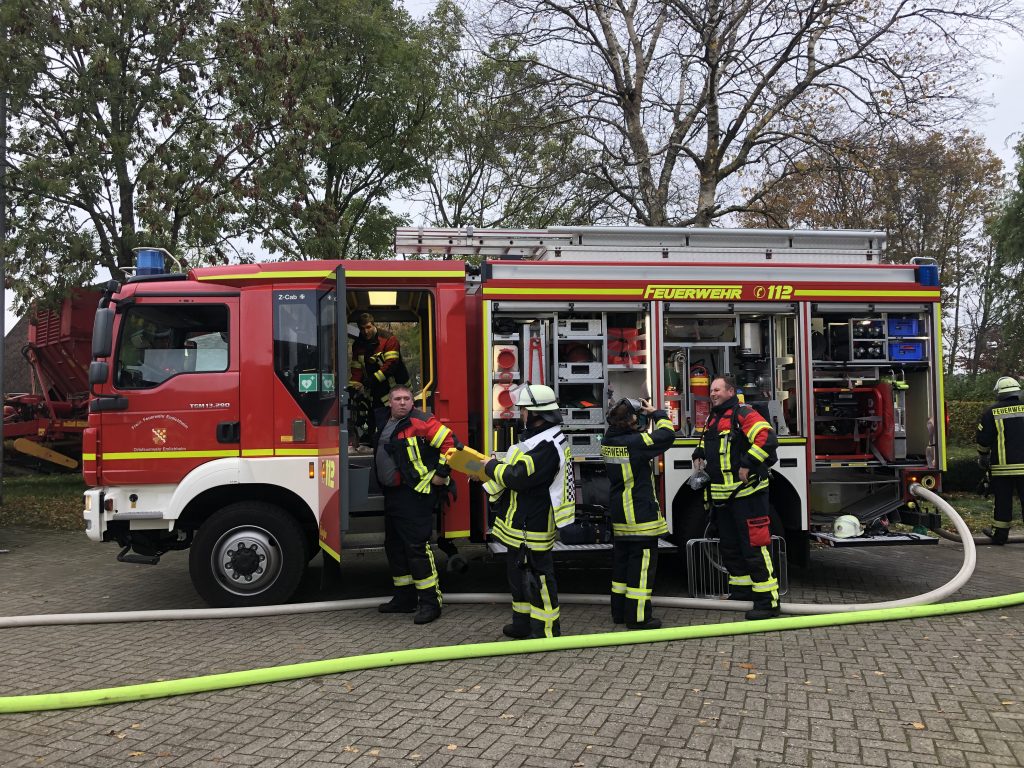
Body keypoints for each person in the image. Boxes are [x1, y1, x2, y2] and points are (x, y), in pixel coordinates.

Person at [483, 383, 575, 639]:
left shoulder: (547, 446)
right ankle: (522, 624)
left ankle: (546, 630)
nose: (521, 413)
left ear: (536, 413)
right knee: (518, 575)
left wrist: (490, 467)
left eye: (523, 409)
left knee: (538, 578)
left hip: (534, 523)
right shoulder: (538, 439)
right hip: (521, 521)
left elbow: (518, 477)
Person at [692, 375, 780, 620]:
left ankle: (768, 602)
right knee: (730, 548)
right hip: (724, 498)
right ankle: (742, 593)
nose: (713, 393)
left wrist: (748, 463)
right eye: (711, 390)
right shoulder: (713, 418)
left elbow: (767, 438)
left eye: (717, 390)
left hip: (747, 495)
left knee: (754, 548)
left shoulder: (744, 414)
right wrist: (699, 452)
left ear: (731, 392)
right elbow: (714, 446)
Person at [376, 385, 457, 624]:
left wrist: (441, 473)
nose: (402, 402)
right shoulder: (385, 421)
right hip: (393, 494)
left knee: (416, 548)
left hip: (415, 494)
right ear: (390, 402)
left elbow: (450, 442)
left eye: (406, 399)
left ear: (413, 402)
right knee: (394, 546)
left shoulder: (421, 421)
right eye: (397, 399)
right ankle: (405, 599)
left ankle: (431, 603)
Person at [601, 398, 676, 630]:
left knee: (622, 566)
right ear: (629, 420)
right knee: (641, 568)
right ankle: (639, 617)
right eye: (636, 417)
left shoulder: (608, 440)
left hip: (621, 514)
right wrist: (656, 413)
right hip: (639, 514)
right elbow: (667, 435)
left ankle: (620, 613)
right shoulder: (635, 442)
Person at [349, 312, 411, 444]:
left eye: (368, 327)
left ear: (374, 325)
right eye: (362, 328)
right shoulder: (358, 345)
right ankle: (375, 440)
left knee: (399, 419)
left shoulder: (388, 339)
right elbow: (356, 368)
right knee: (376, 415)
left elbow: (391, 364)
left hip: (397, 387)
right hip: (375, 388)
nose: (366, 331)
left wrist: (372, 380)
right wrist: (354, 385)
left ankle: (391, 442)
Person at [977, 376, 1024, 545]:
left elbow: (983, 439)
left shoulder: (991, 412)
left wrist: (983, 457)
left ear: (999, 393)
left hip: (1003, 468)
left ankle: (1000, 535)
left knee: (1003, 502)